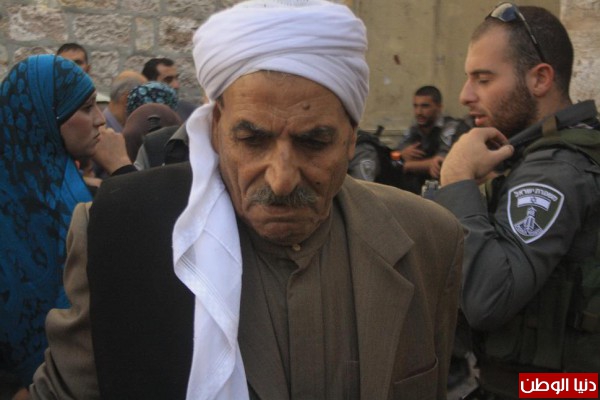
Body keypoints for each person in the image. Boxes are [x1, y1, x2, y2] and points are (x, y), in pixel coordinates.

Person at [30, 1, 463, 399]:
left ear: (352, 138)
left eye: (313, 142)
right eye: (253, 140)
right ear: (216, 128)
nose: (281, 180)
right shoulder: (119, 234)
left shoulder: (427, 240)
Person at [434, 3, 600, 399]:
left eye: (483, 79)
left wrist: (457, 180)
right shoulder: (547, 153)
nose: (465, 95)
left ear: (540, 78)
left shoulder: (556, 170)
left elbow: (488, 299)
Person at [0, 54, 130, 400]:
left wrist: (121, 170)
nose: (100, 119)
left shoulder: (76, 196)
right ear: (45, 117)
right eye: (86, 108)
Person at [396, 85, 469, 194]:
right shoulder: (414, 129)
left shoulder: (450, 127)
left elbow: (440, 163)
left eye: (425, 106)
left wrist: (406, 165)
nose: (419, 112)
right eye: (415, 106)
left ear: (439, 107)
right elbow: (393, 158)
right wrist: (401, 154)